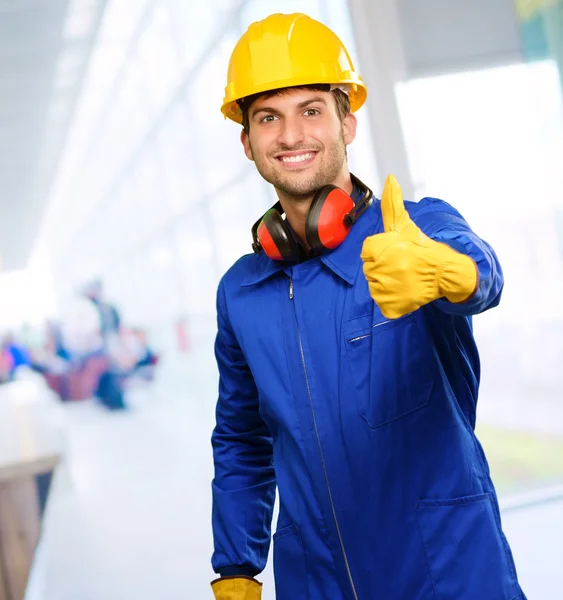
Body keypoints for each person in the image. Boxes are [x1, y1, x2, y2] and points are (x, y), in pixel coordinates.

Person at [210, 12, 526, 600]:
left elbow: (483, 274)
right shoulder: (241, 294)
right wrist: (235, 567)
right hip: (314, 580)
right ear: (247, 140)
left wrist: (450, 273)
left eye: (311, 110)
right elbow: (241, 440)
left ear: (346, 122)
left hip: (449, 570)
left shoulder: (413, 227)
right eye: (268, 117)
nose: (291, 135)